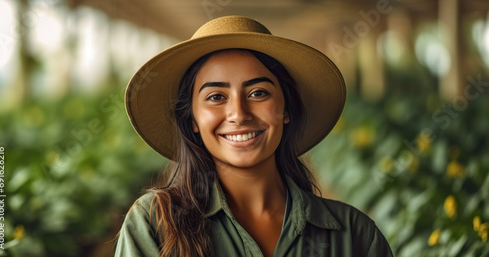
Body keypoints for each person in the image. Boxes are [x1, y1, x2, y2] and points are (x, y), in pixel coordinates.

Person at [116, 15, 393, 257]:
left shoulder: (355, 235)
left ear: (286, 109)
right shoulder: (154, 224)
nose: (239, 113)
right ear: (193, 120)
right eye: (215, 97)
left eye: (258, 93)